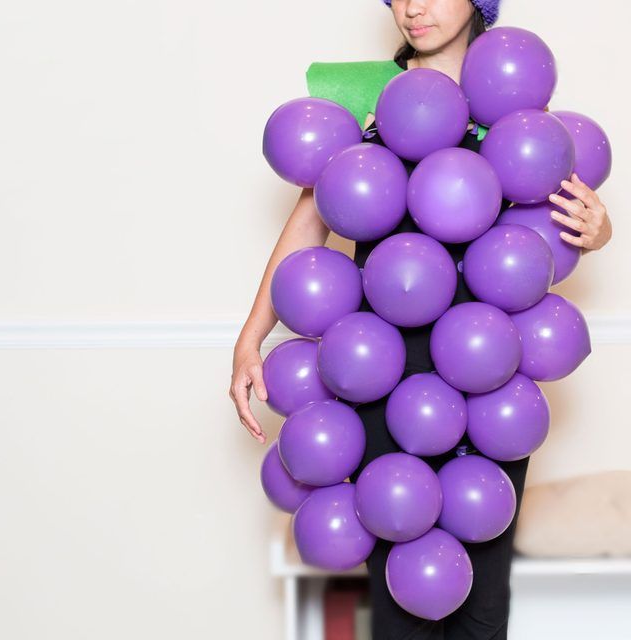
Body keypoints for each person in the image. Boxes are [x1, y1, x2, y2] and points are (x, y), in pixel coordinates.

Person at [229, 1, 613, 637]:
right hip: (378, 362)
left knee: (482, 590)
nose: (413, 6)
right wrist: (250, 338)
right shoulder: (361, 96)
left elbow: (565, 225)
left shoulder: (514, 101)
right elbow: (308, 222)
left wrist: (600, 232)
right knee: (397, 565)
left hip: (489, 366)